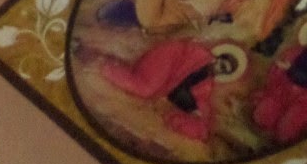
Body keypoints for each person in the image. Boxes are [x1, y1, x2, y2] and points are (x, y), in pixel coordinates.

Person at [100, 39, 246, 142]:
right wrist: (191, 107)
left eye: (224, 70)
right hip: (166, 59)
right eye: (222, 65)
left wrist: (200, 114)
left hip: (167, 82)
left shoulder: (207, 83)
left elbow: (198, 98)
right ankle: (106, 68)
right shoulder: (199, 54)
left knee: (200, 118)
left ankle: (178, 121)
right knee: (145, 89)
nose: (219, 70)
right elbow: (179, 80)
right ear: (217, 59)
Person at [252, 20, 307, 144]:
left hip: (306, 97)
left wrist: (289, 69)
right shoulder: (301, 51)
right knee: (262, 117)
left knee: (286, 131)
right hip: (287, 89)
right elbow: (287, 62)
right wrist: (281, 68)